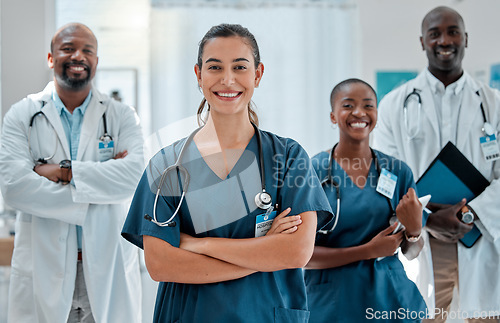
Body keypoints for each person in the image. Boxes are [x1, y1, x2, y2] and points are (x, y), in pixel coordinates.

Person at [121, 23, 333, 323]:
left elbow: (296, 252)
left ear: (257, 74)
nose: (228, 79)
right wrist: (263, 253)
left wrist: (199, 244)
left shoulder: (288, 157)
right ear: (199, 75)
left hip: (266, 314)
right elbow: (161, 265)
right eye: (215, 67)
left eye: (240, 67)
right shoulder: (166, 166)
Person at [0, 23, 144, 322]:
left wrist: (62, 173)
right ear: (51, 58)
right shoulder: (21, 115)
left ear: (96, 61)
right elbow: (15, 187)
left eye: (87, 50)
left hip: (107, 263)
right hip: (44, 264)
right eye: (68, 48)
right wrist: (100, 185)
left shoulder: (121, 115)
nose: (78, 55)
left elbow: (133, 177)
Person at [373, 6, 500, 323]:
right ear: (422, 42)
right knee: (425, 317)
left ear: (465, 38)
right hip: (423, 240)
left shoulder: (494, 104)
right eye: (435, 33)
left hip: (481, 235)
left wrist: (469, 213)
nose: (444, 40)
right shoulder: (394, 105)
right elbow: (387, 176)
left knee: (486, 317)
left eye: (453, 31)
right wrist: (428, 219)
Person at [304, 78, 427, 322]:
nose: (359, 112)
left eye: (368, 105)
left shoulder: (397, 171)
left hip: (388, 299)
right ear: (332, 116)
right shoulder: (311, 172)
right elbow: (301, 256)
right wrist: (367, 251)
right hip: (332, 302)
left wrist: (414, 230)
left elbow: (410, 253)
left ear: (376, 114)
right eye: (348, 105)